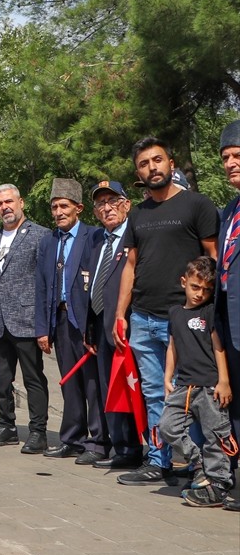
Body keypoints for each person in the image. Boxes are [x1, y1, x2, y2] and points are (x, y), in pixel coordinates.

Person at [115, 137, 218, 486]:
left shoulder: (197, 204)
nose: (152, 167)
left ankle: (201, 467)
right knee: (154, 394)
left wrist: (211, 311)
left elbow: (213, 259)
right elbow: (131, 265)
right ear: (138, 173)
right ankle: (159, 461)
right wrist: (121, 314)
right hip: (143, 317)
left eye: (157, 160)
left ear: (171, 164)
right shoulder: (138, 213)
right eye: (144, 164)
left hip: (186, 321)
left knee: (194, 396)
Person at [38, 178, 107, 464]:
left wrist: (95, 325)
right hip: (61, 319)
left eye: (64, 206)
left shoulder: (93, 237)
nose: (59, 212)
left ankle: (98, 441)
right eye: (54, 207)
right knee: (69, 383)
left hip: (86, 321)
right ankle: (72, 438)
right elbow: (42, 286)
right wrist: (42, 329)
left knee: (92, 383)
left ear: (78, 208)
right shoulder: (49, 241)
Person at [0, 183, 50, 453]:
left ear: (21, 203)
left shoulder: (40, 236)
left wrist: (43, 324)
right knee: (1, 380)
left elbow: (45, 283)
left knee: (33, 378)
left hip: (27, 320)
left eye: (9, 201)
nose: (5, 207)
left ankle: (38, 431)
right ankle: (6, 426)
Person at [158, 257, 235, 508]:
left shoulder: (209, 312)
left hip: (210, 387)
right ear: (184, 282)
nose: (200, 294)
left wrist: (224, 381)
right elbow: (172, 347)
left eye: (206, 290)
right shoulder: (175, 312)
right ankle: (198, 463)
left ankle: (218, 484)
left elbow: (218, 347)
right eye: (195, 287)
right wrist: (167, 377)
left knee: (215, 436)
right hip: (184, 386)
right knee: (167, 426)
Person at [83, 181, 143, 470]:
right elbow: (93, 284)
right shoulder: (98, 241)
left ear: (127, 204)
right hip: (100, 325)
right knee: (110, 389)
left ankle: (136, 449)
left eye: (113, 201)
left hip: (126, 326)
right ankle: (120, 447)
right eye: (101, 204)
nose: (107, 208)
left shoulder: (135, 237)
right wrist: (90, 326)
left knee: (132, 388)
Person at [214, 121, 240, 510]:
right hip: (231, 326)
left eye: (237, 156)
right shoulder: (230, 210)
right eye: (225, 157)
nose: (231, 163)